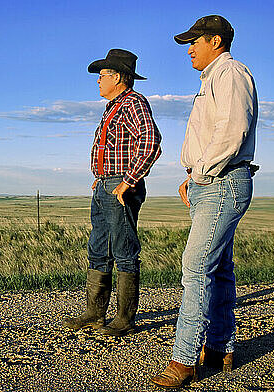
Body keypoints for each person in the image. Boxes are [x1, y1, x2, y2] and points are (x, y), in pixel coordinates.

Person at [151, 15, 258, 388]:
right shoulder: (213, 78)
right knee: (220, 268)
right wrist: (193, 175)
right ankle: (219, 347)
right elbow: (214, 134)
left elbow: (231, 131)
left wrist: (200, 173)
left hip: (221, 181)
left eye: (194, 42)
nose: (189, 49)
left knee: (196, 267)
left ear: (215, 41)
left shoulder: (230, 73)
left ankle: (184, 360)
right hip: (211, 180)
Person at [63, 49, 162, 337]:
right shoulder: (113, 107)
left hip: (120, 186)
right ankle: (95, 314)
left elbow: (151, 141)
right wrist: (100, 178)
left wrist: (128, 180)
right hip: (105, 184)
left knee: (124, 251)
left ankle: (124, 319)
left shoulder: (134, 103)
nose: (98, 81)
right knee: (98, 249)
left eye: (103, 75)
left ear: (118, 77)